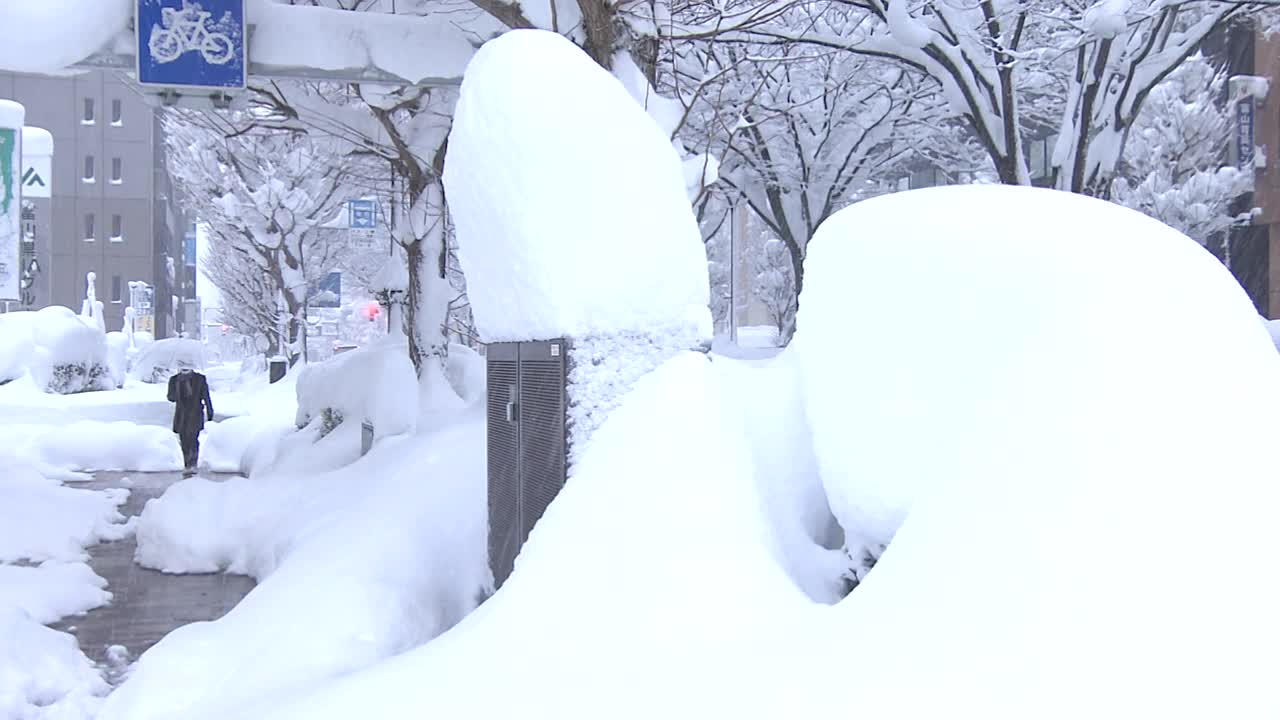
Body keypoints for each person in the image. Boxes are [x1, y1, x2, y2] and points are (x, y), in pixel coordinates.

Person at [167, 361, 214, 476]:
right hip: (181, 415)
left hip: (195, 414)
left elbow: (206, 396)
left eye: (187, 366)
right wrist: (177, 387)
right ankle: (187, 464)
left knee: (193, 439)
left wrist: (210, 412)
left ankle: (193, 464)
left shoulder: (200, 379)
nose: (184, 368)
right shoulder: (174, 380)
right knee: (184, 440)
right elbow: (170, 397)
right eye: (182, 366)